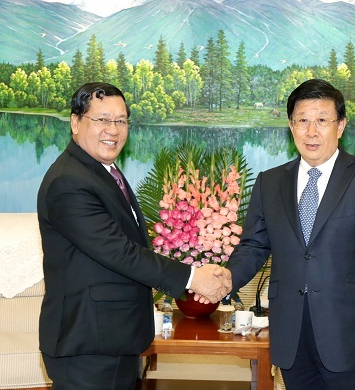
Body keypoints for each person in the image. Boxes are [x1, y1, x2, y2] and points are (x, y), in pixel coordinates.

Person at [37, 82, 231, 389]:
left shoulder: (101, 171)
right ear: (76, 122)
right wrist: (193, 278)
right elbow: (118, 252)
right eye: (101, 119)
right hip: (89, 343)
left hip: (111, 336)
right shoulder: (69, 182)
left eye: (121, 121)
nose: (112, 130)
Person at [225, 78, 355, 389]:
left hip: (351, 337)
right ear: (291, 126)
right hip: (291, 336)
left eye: (322, 120)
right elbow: (253, 245)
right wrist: (224, 280)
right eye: (302, 121)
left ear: (341, 125)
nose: (311, 131)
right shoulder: (270, 183)